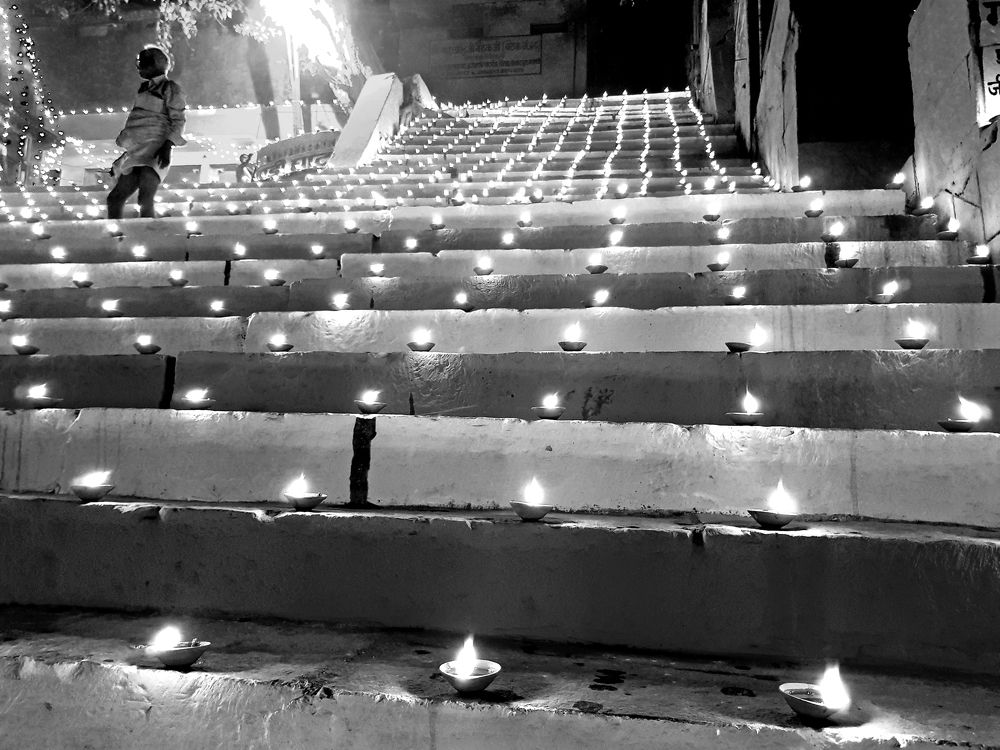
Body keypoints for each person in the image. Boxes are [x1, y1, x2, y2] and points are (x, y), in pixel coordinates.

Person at [107, 46, 186, 219]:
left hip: (156, 149)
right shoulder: (143, 88)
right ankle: (115, 232)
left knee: (145, 198)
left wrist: (167, 146)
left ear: (155, 64)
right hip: (136, 150)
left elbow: (178, 119)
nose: (139, 67)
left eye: (142, 63)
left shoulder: (170, 88)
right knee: (114, 198)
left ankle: (148, 232)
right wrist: (124, 156)